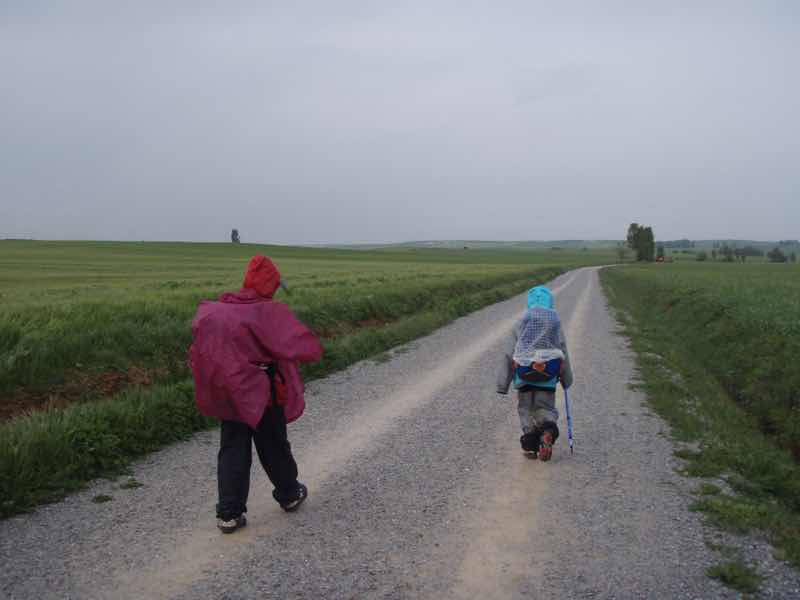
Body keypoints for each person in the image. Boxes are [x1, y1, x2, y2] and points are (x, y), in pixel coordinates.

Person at [189, 255, 323, 533]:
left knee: (232, 448)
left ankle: (229, 513)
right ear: (270, 283)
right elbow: (302, 345)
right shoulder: (267, 312)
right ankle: (289, 495)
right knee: (273, 444)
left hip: (228, 391)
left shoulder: (217, 310)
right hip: (263, 392)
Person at [496, 285, 573, 461]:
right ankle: (547, 430)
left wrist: (502, 384)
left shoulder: (521, 323)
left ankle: (530, 446)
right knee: (545, 408)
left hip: (523, 377)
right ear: (550, 304)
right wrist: (566, 379)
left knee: (525, 410)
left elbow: (509, 353)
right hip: (548, 378)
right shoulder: (555, 324)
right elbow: (563, 351)